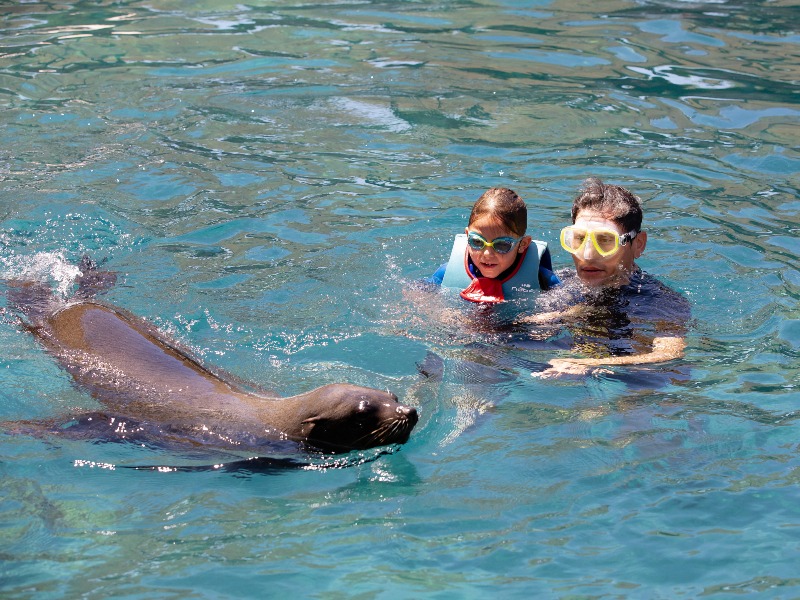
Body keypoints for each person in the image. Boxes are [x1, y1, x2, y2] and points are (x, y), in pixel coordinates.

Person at [530, 177, 690, 377]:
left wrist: (587, 365)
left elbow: (669, 356)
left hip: (627, 384)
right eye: (579, 239)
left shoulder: (662, 303)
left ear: (638, 244)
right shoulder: (558, 285)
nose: (588, 255)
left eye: (605, 241)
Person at [427, 187, 560, 304]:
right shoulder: (447, 272)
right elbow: (418, 293)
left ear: (523, 244)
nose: (487, 254)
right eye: (477, 242)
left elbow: (569, 308)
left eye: (502, 245)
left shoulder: (541, 278)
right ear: (467, 236)